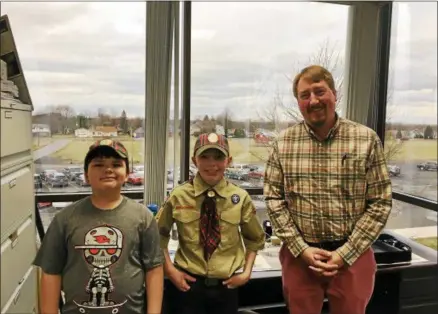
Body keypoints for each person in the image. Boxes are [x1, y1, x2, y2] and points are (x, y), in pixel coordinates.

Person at [264, 65, 392, 314]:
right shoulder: (283, 144)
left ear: (334, 93)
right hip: (301, 257)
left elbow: (381, 202)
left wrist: (345, 253)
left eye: (319, 91)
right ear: (298, 102)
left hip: (352, 255)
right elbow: (273, 198)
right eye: (304, 95)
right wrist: (302, 249)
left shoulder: (365, 140)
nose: (313, 100)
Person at [33, 139, 164, 314]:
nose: (108, 169)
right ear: (86, 175)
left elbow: (154, 269)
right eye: (99, 164)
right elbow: (50, 272)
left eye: (116, 164)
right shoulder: (64, 219)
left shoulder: (143, 217)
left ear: (127, 174)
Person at [156, 133, 266, 314]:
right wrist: (170, 271)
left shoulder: (239, 198)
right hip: (188, 285)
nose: (211, 164)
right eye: (204, 157)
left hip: (226, 287)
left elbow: (254, 239)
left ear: (228, 160)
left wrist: (246, 273)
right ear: (194, 160)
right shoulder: (179, 195)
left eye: (219, 157)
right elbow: (159, 235)